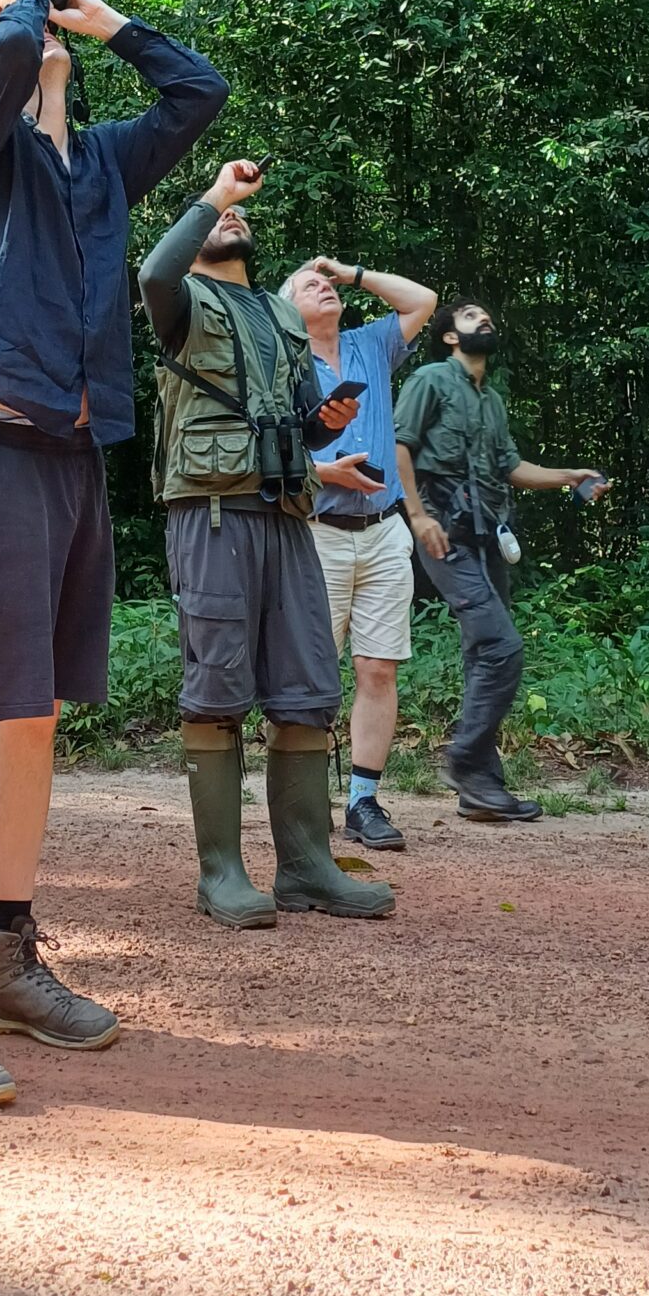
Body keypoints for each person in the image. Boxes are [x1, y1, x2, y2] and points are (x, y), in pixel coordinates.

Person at [0, 0, 226, 1110]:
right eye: (18, 36)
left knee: (33, 719)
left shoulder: (103, 166)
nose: (36, 39)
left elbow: (198, 94)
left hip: (74, 460)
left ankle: (5, 961)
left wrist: (105, 19)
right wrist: (17, 4)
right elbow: (11, 63)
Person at [140, 162, 394, 928]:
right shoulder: (182, 298)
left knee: (307, 688)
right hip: (213, 513)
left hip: (286, 514)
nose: (232, 221)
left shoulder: (280, 317)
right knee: (217, 690)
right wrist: (215, 195)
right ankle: (220, 874)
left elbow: (300, 416)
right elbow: (152, 267)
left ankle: (308, 867)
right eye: (218, 219)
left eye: (239, 218)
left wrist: (327, 423)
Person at [394, 299, 608, 824]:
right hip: (444, 533)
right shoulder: (428, 380)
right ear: (448, 336)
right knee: (502, 646)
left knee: (481, 654)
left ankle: (481, 788)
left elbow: (511, 466)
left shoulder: (491, 399)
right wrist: (417, 516)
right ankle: (464, 760)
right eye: (470, 317)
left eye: (486, 317)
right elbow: (396, 446)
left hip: (487, 535)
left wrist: (569, 476)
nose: (483, 320)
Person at [283, 250, 442, 852]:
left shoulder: (371, 342)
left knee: (378, 668)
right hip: (316, 533)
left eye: (327, 282)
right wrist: (327, 472)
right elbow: (266, 448)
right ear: (286, 308)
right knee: (314, 676)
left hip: (383, 531)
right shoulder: (282, 362)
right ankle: (303, 804)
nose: (322, 287)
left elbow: (422, 299)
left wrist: (351, 272)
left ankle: (363, 802)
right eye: (308, 284)